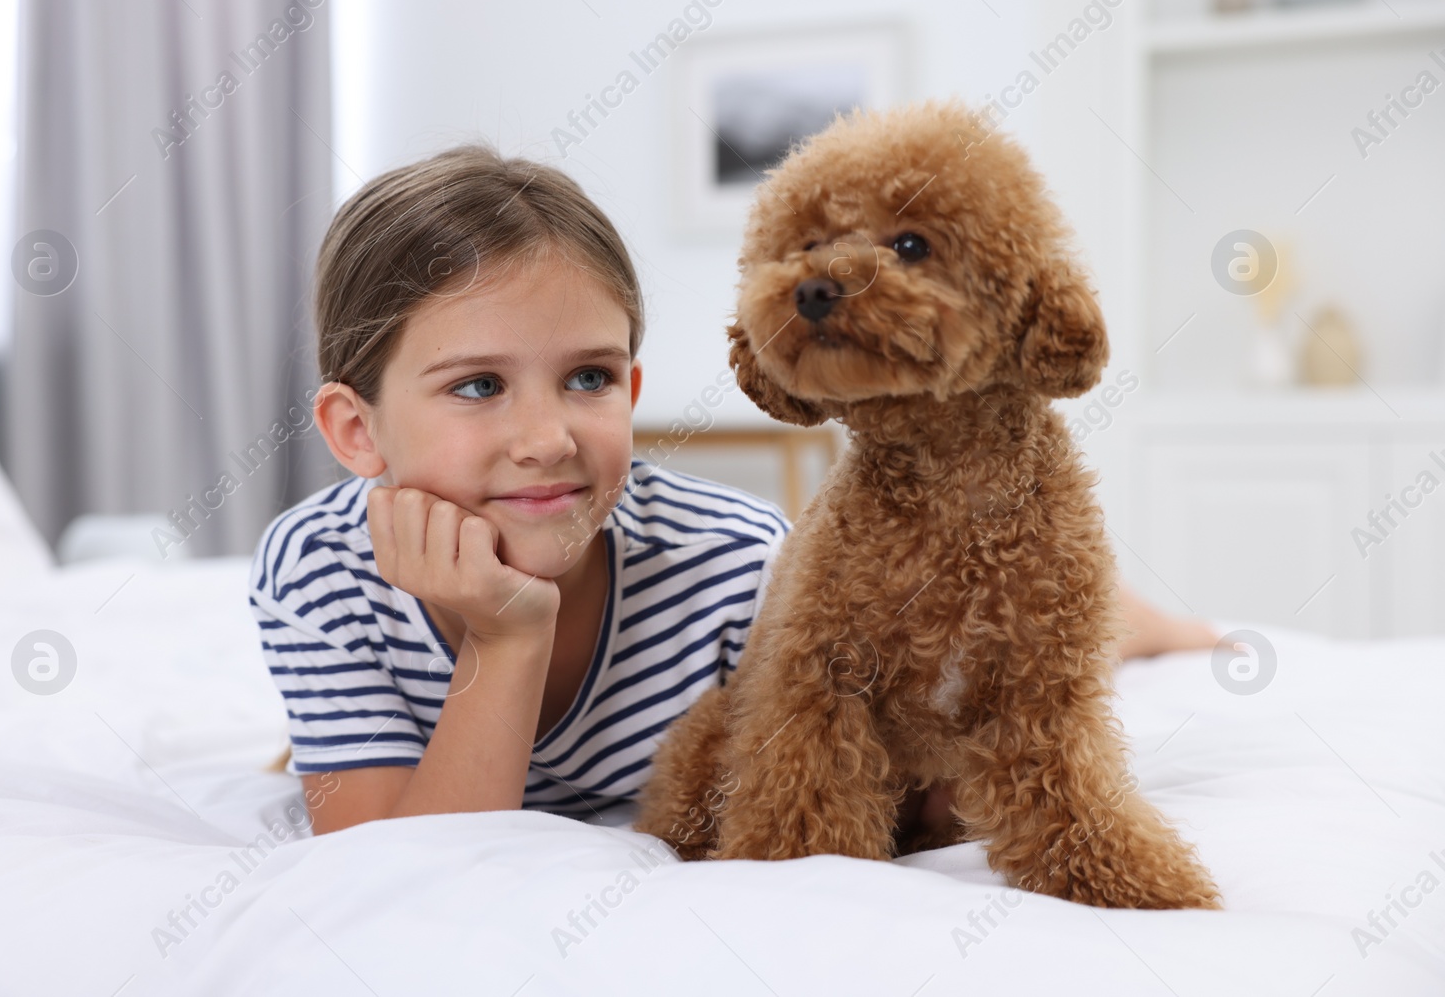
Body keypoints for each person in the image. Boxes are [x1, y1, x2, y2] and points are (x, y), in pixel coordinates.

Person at [250, 145, 1219, 836]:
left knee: (984, 611)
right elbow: (400, 865)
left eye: (587, 377)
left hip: (826, 602)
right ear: (354, 430)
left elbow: (910, 718)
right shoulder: (319, 567)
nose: (545, 438)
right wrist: (507, 637)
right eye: (476, 385)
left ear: (629, 390)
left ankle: (1159, 623)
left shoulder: (730, 560)